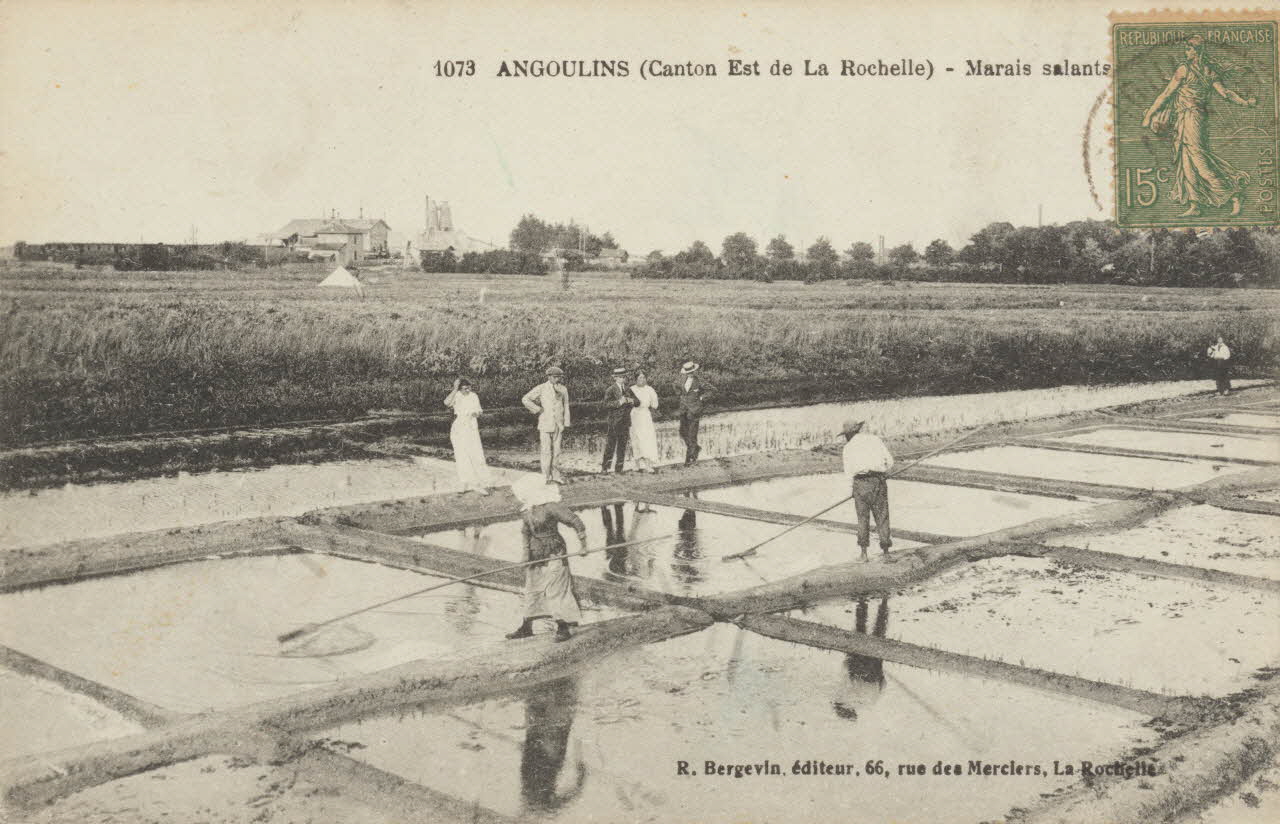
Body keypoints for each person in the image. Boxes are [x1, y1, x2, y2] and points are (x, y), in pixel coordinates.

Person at [1142, 35, 1257, 218]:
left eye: (1188, 49)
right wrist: (1245, 102)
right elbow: (1226, 93)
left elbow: (1166, 94)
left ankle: (1234, 194)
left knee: (1198, 159)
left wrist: (1149, 115)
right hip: (1187, 118)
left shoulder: (1185, 70)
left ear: (1197, 51)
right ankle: (1195, 204)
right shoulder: (1207, 71)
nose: (1185, 52)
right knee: (1186, 159)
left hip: (1192, 118)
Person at [506, 475, 588, 643]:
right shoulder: (527, 510)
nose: (520, 496)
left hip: (554, 552)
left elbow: (575, 521)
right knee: (532, 589)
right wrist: (525, 553)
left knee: (556, 589)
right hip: (536, 554)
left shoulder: (551, 507)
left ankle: (563, 626)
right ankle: (526, 627)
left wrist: (583, 545)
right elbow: (525, 532)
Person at [841, 419, 895, 561]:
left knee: (862, 519)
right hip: (878, 481)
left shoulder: (848, 447)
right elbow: (890, 462)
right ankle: (886, 553)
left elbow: (848, 474)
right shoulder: (875, 440)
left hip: (860, 484)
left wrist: (852, 491)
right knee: (882, 516)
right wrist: (882, 470)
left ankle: (864, 554)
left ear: (850, 433)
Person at [832, 597, 889, 721]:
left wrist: (879, 669)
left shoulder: (869, 703)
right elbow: (847, 676)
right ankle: (862, 602)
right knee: (860, 631)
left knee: (879, 633)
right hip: (860, 668)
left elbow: (882, 685)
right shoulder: (845, 698)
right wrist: (849, 659)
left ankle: (884, 603)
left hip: (873, 673)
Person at [522, 366, 572, 484]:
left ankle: (556, 475)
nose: (557, 379)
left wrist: (566, 422)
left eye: (559, 377)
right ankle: (545, 476)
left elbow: (566, 405)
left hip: (558, 424)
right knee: (546, 451)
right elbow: (525, 399)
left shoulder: (563, 389)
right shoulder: (541, 388)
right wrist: (537, 409)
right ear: (549, 377)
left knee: (557, 451)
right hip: (545, 423)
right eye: (555, 377)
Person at [443, 377, 490, 494]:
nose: (467, 391)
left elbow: (479, 411)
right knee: (461, 455)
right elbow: (446, 402)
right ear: (460, 389)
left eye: (469, 388)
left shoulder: (474, 396)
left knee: (475, 454)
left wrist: (475, 413)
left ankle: (478, 484)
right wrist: (454, 389)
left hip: (471, 427)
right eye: (464, 389)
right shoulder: (457, 395)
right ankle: (464, 482)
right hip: (459, 428)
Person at [675, 361, 714, 465]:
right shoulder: (682, 379)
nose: (690, 374)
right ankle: (695, 448)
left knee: (692, 434)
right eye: (688, 372)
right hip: (683, 409)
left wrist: (701, 398)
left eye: (692, 372)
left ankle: (689, 459)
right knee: (682, 432)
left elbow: (711, 390)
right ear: (685, 372)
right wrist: (680, 395)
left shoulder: (699, 381)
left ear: (694, 371)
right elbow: (675, 386)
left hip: (695, 410)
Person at [601, 367, 638, 473]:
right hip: (614, 422)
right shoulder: (611, 389)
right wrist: (619, 402)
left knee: (622, 445)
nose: (622, 379)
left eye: (623, 377)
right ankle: (605, 468)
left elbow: (637, 402)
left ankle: (619, 468)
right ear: (615, 378)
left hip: (625, 421)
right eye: (620, 377)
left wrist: (631, 400)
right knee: (610, 445)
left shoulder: (628, 389)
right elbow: (605, 404)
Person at [629, 370, 660, 473]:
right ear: (636, 379)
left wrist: (650, 406)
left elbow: (655, 404)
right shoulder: (631, 389)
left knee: (647, 439)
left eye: (643, 378)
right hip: (634, 416)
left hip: (645, 416)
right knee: (636, 439)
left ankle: (648, 465)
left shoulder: (650, 389)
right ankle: (637, 465)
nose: (642, 380)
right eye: (639, 378)